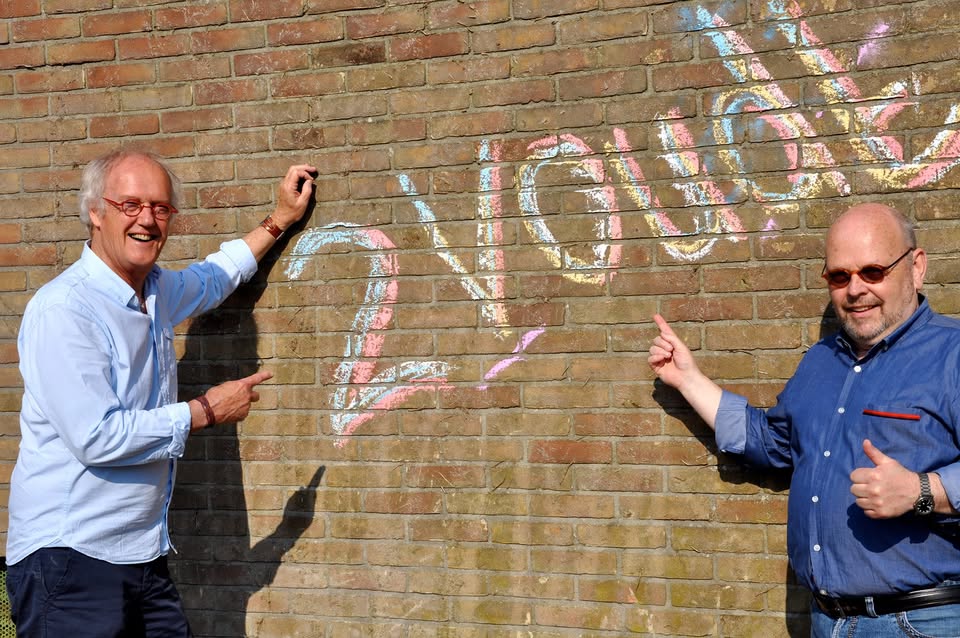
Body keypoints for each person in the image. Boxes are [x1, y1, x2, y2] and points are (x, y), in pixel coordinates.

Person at [5, 149, 317, 636]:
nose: (147, 220)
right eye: (130, 205)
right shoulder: (65, 311)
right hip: (70, 560)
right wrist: (204, 411)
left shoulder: (154, 292)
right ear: (96, 212)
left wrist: (279, 219)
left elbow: (212, 278)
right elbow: (97, 436)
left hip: (140, 557)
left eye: (160, 208)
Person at [648, 202, 960, 637]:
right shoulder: (820, 361)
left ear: (916, 266)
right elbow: (772, 444)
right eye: (839, 276)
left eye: (872, 272)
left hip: (920, 621)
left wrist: (923, 490)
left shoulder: (952, 354)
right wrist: (689, 381)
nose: (855, 290)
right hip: (826, 621)